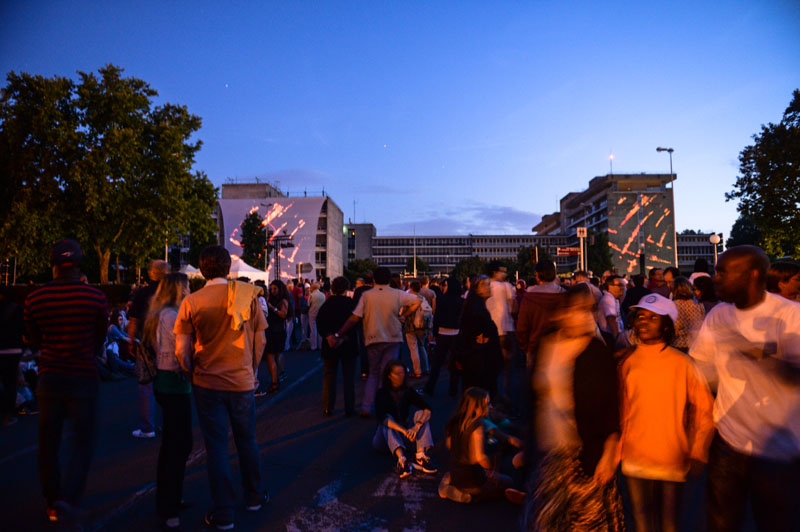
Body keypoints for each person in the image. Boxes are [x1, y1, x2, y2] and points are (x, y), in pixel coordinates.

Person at [689, 245, 800, 532]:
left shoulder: (790, 316)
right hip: (729, 440)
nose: (716, 278)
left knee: (776, 522)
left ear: (751, 274)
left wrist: (751, 351)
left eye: (723, 272)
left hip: (777, 447)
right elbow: (700, 368)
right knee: (721, 522)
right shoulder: (718, 316)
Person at [174, 246, 268, 530]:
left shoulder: (192, 301)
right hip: (241, 381)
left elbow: (181, 350)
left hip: (207, 381)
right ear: (229, 267)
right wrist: (251, 371)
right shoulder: (247, 295)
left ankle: (224, 511)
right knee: (246, 439)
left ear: (202, 270)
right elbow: (261, 341)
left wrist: (191, 372)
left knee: (216, 447)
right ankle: (253, 496)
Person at [523, 284, 624, 531]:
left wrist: (609, 455)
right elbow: (534, 399)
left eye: (587, 310)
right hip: (549, 454)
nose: (582, 316)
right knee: (545, 522)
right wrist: (526, 446)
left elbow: (611, 407)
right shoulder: (547, 344)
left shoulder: (597, 352)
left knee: (587, 523)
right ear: (561, 312)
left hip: (586, 454)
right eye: (576, 309)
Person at [24, 239, 108, 526]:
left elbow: (34, 340)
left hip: (49, 377)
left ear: (53, 265)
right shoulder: (95, 298)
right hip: (83, 376)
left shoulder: (35, 298)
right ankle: (68, 499)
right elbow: (100, 338)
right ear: (80, 263)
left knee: (48, 443)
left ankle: (52, 501)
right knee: (82, 442)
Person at [619, 293, 714, 532]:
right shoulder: (626, 362)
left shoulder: (682, 363)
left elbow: (706, 410)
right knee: (641, 524)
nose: (644, 322)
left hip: (671, 455)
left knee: (669, 524)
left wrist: (698, 451)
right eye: (640, 316)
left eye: (653, 317)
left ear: (666, 325)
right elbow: (621, 411)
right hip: (633, 456)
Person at [326, 267, 420, 417]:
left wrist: (338, 333)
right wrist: (404, 316)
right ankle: (383, 407)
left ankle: (366, 406)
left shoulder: (367, 296)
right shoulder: (397, 294)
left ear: (374, 280)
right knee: (386, 374)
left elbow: (354, 318)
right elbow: (417, 301)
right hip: (392, 338)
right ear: (389, 279)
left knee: (373, 373)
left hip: (372, 337)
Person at [142, 273, 193, 529]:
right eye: (186, 285)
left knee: (172, 445)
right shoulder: (174, 315)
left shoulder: (158, 313)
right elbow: (181, 351)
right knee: (179, 445)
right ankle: (169, 505)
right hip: (175, 382)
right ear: (177, 289)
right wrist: (191, 373)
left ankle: (170, 498)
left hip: (163, 381)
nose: (189, 289)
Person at [439, 387, 521, 503]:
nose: (490, 407)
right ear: (476, 408)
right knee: (509, 481)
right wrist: (491, 470)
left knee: (463, 476)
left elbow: (449, 445)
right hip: (473, 481)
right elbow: (479, 457)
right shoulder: (478, 426)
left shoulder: (456, 421)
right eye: (487, 404)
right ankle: (470, 496)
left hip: (456, 472)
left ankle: (452, 488)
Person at [372, 360, 437, 478]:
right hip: (383, 441)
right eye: (397, 374)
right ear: (389, 375)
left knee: (421, 413)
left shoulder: (407, 391)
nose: (401, 376)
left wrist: (416, 427)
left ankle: (420, 456)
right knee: (387, 421)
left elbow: (428, 409)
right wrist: (404, 430)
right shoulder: (382, 393)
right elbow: (382, 418)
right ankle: (402, 460)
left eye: (403, 373)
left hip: (404, 436)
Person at [128, 259, 170, 439]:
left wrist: (130, 340)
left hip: (146, 341)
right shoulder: (171, 293)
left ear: (152, 273)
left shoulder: (142, 293)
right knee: (167, 385)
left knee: (146, 384)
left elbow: (134, 319)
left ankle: (147, 426)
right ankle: (166, 425)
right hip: (168, 342)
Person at [454, 275, 502, 398]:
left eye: (488, 284)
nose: (488, 287)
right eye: (484, 284)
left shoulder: (476, 306)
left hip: (476, 361)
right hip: (479, 362)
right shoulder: (477, 309)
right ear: (476, 289)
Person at [316, 276, 357, 417]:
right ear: (346, 289)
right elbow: (356, 323)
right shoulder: (351, 305)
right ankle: (349, 407)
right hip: (348, 344)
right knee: (349, 378)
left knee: (329, 377)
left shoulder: (327, 305)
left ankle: (328, 407)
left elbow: (320, 323)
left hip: (330, 345)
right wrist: (343, 337)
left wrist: (329, 336)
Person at [516, 261, 565, 369]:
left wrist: (525, 347)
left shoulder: (529, 297)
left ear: (537, 276)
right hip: (561, 348)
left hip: (536, 348)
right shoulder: (564, 295)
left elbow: (521, 327)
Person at [485, 261, 518, 405]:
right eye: (502, 271)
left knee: (490, 366)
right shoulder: (506, 286)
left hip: (489, 330)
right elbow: (514, 308)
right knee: (507, 367)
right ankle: (506, 398)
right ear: (495, 272)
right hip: (505, 329)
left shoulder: (483, 286)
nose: (504, 273)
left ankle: (490, 397)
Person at [423, 277, 462, 397]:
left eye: (445, 285)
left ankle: (430, 388)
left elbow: (437, 318)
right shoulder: (462, 301)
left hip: (443, 334)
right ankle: (453, 389)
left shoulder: (442, 300)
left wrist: (434, 334)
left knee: (437, 363)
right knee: (455, 364)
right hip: (457, 334)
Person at [258, 280, 288, 396]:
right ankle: (277, 377)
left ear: (280, 289)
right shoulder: (269, 299)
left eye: (275, 288)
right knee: (273, 355)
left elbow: (283, 314)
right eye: (271, 289)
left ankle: (275, 381)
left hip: (277, 330)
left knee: (272, 355)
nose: (272, 291)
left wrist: (272, 307)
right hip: (270, 329)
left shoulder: (283, 301)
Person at [0, 285, 24, 427]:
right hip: (12, 350)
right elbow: (23, 328)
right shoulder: (16, 309)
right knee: (10, 384)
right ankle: (7, 416)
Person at [403, 280, 431, 378]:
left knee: (413, 349)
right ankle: (426, 368)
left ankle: (417, 371)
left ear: (410, 288)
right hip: (422, 326)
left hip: (410, 326)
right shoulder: (422, 298)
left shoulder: (408, 299)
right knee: (422, 346)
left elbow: (402, 312)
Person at [670, 276, 705, 353]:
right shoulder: (699, 305)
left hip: (678, 345)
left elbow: (674, 328)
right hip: (695, 345)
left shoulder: (672, 305)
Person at [597, 274, 625, 348]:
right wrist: (617, 341)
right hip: (610, 338)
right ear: (610, 286)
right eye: (620, 285)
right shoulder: (608, 299)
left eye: (623, 285)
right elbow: (611, 320)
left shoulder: (614, 298)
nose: (623, 288)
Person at [307, 282, 326, 350]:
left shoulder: (311, 295)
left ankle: (313, 346)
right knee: (320, 329)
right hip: (321, 313)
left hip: (312, 313)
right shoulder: (323, 295)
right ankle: (321, 345)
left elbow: (308, 304)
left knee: (313, 329)